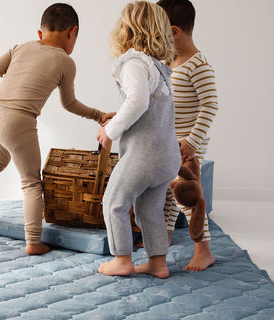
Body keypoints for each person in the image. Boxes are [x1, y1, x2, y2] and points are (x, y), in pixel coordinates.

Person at [0, 3, 113, 255]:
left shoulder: (22, 47)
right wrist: (98, 115)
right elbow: (69, 103)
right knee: (31, 183)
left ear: (40, 34)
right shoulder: (65, 61)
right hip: (19, 121)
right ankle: (33, 241)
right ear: (73, 33)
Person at [97, 0, 181, 279]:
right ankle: (158, 263)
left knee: (114, 203)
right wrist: (119, 116)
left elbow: (137, 102)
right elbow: (147, 106)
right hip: (167, 155)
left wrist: (109, 131)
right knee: (149, 209)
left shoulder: (132, 62)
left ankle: (122, 260)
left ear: (126, 30)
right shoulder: (159, 68)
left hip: (144, 156)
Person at [157, 0, 218, 271]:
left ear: (174, 32)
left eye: (158, 33)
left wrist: (192, 141)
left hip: (188, 145)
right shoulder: (167, 62)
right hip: (169, 140)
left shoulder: (199, 65)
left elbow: (210, 105)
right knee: (168, 192)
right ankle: (165, 237)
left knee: (188, 195)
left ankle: (203, 250)